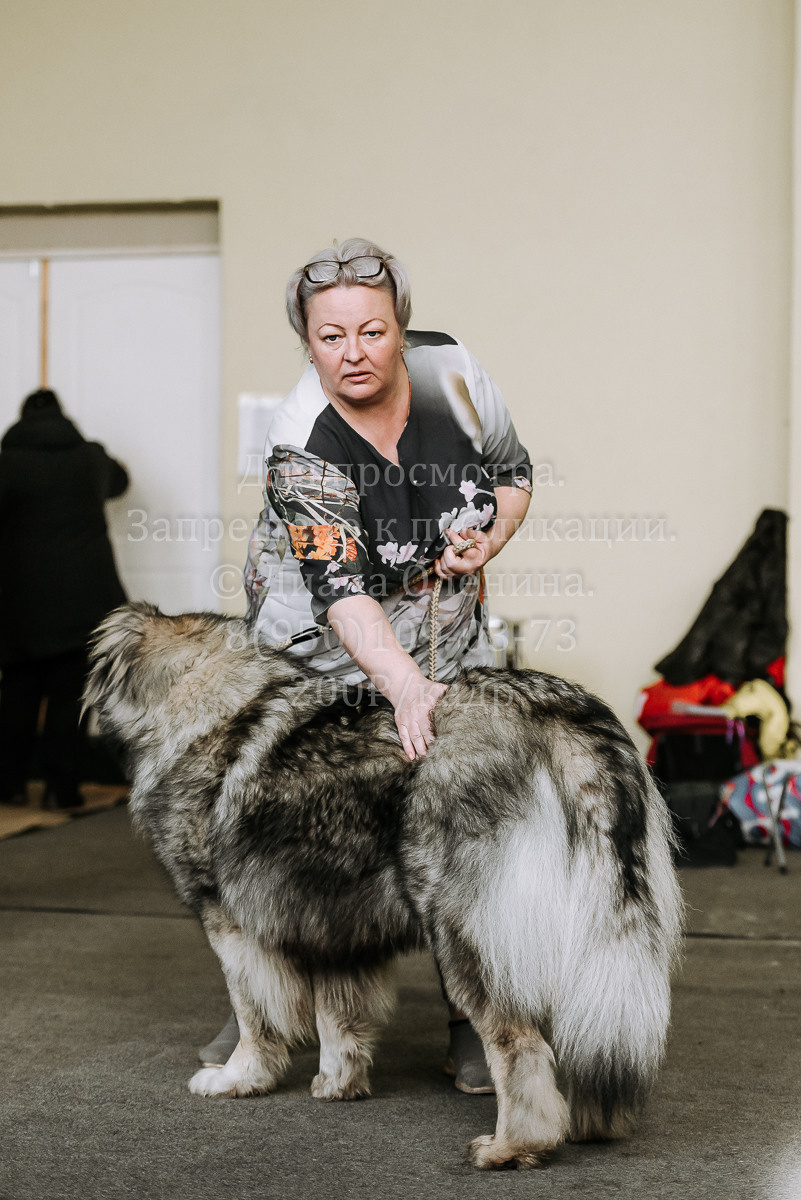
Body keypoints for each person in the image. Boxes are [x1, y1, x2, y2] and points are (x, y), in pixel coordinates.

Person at [199, 238, 532, 1091]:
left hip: (441, 625)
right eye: (331, 336)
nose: (354, 353)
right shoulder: (300, 439)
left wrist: (483, 538)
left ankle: (472, 1016)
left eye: (372, 331)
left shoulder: (452, 372)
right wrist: (402, 685)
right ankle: (273, 1006)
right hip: (316, 646)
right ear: (306, 343)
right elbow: (342, 593)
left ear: (402, 330)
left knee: (462, 820)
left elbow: (513, 472)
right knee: (310, 830)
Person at [0, 388, 129, 809]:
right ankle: (61, 790)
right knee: (69, 698)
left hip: (19, 602)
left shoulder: (6, 465)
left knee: (16, 695)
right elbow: (120, 480)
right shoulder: (89, 457)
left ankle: (10, 785)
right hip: (83, 602)